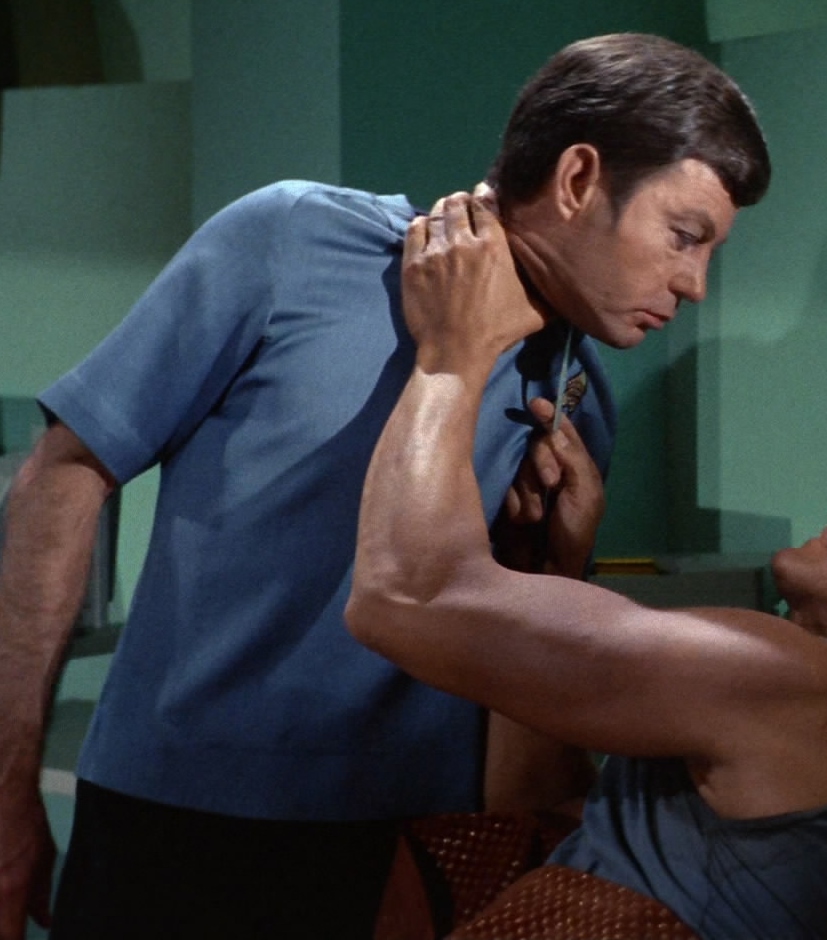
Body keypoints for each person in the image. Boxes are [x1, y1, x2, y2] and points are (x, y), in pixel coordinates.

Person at [0, 33, 771, 940]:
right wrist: (7, 790)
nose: (695, 284)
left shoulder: (575, 402)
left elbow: (521, 727)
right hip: (171, 827)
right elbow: (64, 474)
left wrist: (560, 565)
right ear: (576, 180)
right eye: (684, 236)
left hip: (414, 857)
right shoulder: (291, 238)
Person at [345, 192, 827, 940]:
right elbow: (544, 801)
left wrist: (451, 355)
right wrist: (551, 564)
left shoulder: (811, 690)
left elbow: (404, 597)